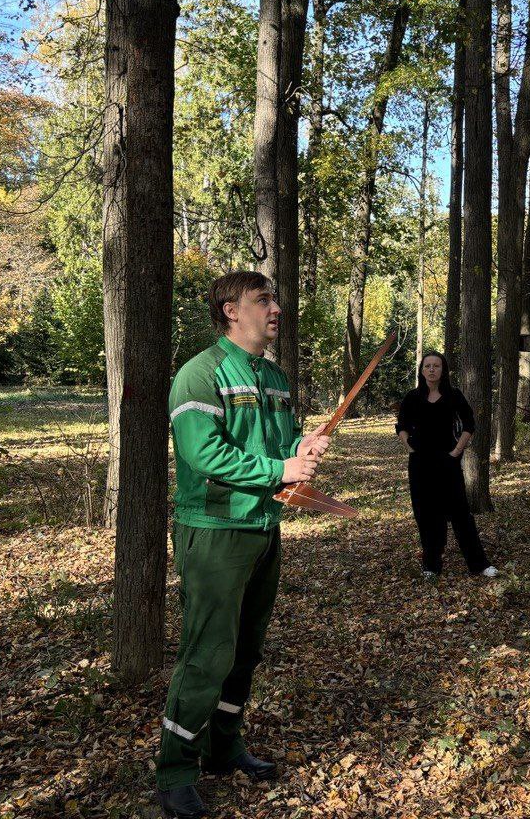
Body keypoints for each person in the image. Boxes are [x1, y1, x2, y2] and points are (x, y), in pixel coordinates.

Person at [157, 271, 332, 819]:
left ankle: (223, 747)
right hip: (214, 532)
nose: (276, 308)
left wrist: (301, 446)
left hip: (263, 527)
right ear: (230, 310)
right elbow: (202, 455)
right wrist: (281, 465)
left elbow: (282, 444)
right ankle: (176, 769)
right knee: (207, 653)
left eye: (275, 299)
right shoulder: (198, 374)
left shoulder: (274, 377)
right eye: (263, 300)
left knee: (246, 649)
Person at [396, 352, 498, 581]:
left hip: (447, 462)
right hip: (420, 463)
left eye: (436, 366)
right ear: (422, 371)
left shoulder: (454, 396)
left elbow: (469, 424)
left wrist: (456, 452)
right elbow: (401, 425)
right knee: (425, 513)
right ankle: (431, 565)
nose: (432, 370)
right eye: (428, 366)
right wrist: (409, 446)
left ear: (443, 370)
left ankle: (479, 564)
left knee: (460, 513)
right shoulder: (412, 398)